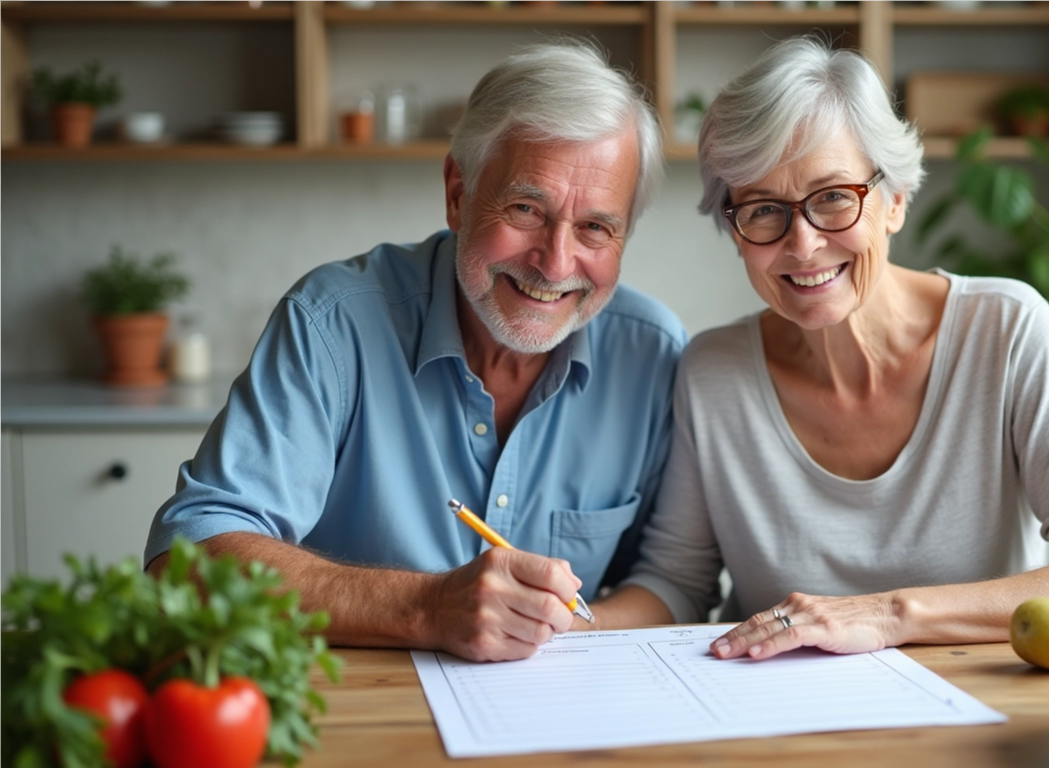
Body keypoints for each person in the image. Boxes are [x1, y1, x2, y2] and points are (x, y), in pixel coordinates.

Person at [590, 37, 1049, 659]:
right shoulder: (713, 371)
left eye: (834, 197)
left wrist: (890, 615)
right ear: (734, 231)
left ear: (894, 200)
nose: (803, 245)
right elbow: (677, 584)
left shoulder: (1006, 330)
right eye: (762, 209)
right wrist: (559, 628)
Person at [144, 41, 686, 662]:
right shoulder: (333, 322)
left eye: (595, 227)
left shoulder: (654, 354)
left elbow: (672, 580)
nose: (556, 263)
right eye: (525, 209)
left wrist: (556, 632)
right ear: (459, 192)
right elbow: (188, 560)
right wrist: (425, 607)